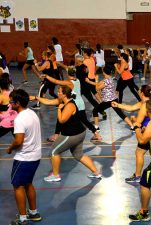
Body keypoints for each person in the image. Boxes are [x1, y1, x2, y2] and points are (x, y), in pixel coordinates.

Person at [42, 85, 102, 182]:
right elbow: (48, 102)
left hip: (72, 135)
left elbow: (61, 120)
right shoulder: (64, 101)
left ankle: (56, 175)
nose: (58, 93)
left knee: (54, 152)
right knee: (79, 155)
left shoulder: (69, 105)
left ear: (64, 94)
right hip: (80, 133)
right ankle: (96, 173)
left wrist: (58, 109)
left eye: (59, 91)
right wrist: (35, 98)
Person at [34, 66, 102, 142]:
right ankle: (97, 134)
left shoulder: (69, 83)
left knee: (60, 118)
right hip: (81, 103)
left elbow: (56, 81)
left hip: (73, 105)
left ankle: (56, 135)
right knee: (85, 121)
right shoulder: (77, 80)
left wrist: (46, 76)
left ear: (67, 73)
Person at [6, 89, 42, 225]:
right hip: (36, 156)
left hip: (24, 158)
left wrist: (10, 148)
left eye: (11, 102)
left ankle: (22, 219)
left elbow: (19, 140)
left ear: (18, 103)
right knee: (28, 184)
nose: (9, 104)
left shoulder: (19, 119)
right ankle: (34, 213)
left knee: (18, 186)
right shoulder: (32, 113)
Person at [111, 85, 151, 183]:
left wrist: (134, 121)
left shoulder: (144, 105)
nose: (138, 92)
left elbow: (137, 122)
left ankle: (138, 176)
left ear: (142, 93)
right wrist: (118, 105)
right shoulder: (149, 102)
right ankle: (140, 175)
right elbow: (131, 108)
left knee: (141, 152)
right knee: (150, 153)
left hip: (146, 132)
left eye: (139, 91)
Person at [86, 65, 133, 130]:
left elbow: (97, 88)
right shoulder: (110, 78)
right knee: (121, 114)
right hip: (114, 99)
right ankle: (132, 126)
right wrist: (89, 82)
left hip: (108, 101)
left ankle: (96, 128)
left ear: (104, 72)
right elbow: (100, 84)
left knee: (95, 110)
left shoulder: (105, 81)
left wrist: (96, 80)